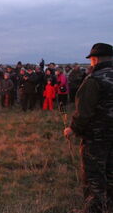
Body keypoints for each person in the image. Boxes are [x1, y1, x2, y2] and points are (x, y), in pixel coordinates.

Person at [64, 43, 113, 213]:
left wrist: (73, 129)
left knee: (94, 176)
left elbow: (84, 111)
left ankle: (95, 209)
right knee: (111, 171)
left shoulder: (94, 80)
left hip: (97, 137)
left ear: (94, 59)